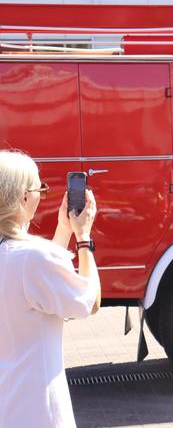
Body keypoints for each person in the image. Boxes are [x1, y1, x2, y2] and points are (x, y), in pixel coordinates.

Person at [0, 150, 100, 428]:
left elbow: (38, 286)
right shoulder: (32, 257)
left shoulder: (26, 257)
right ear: (22, 197)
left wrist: (63, 229)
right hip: (37, 410)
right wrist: (83, 238)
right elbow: (88, 302)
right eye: (38, 188)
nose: (41, 194)